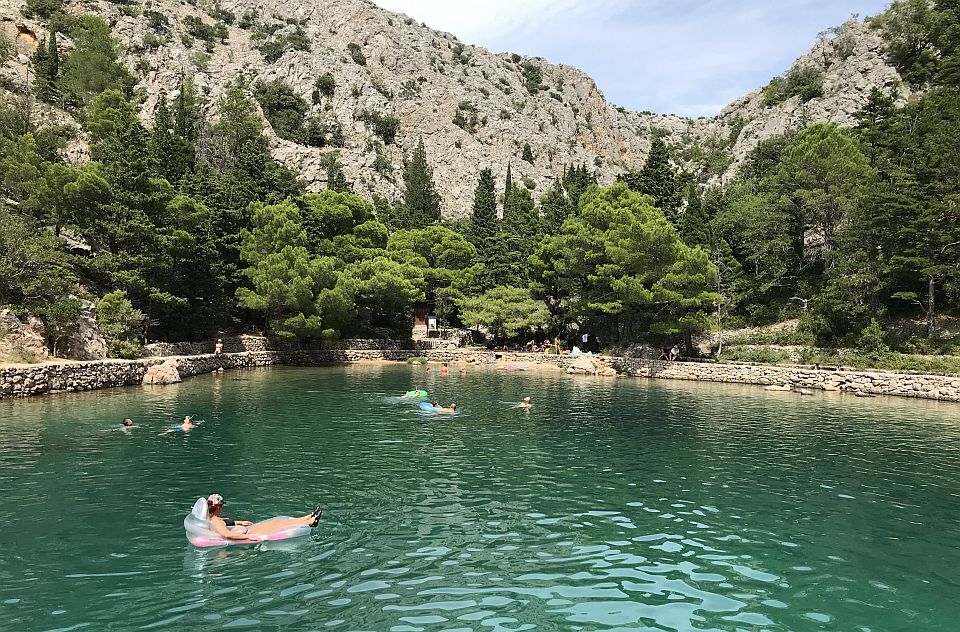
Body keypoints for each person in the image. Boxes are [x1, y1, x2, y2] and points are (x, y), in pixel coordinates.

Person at [205, 494, 321, 542]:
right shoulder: (216, 521)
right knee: (277, 525)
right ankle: (310, 522)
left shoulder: (212, 518)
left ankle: (307, 517)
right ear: (218, 507)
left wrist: (238, 522)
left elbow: (225, 524)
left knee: (276, 522)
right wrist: (249, 536)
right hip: (246, 534)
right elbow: (227, 534)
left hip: (246, 529)